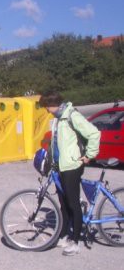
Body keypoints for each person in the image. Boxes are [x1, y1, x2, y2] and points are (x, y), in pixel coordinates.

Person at [39, 91, 100, 256]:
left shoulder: (72, 116)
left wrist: (89, 155)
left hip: (72, 166)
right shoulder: (59, 118)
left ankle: (75, 241)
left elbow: (94, 133)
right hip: (60, 165)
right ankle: (64, 235)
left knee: (73, 203)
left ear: (53, 105)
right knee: (64, 203)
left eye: (47, 107)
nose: (46, 110)